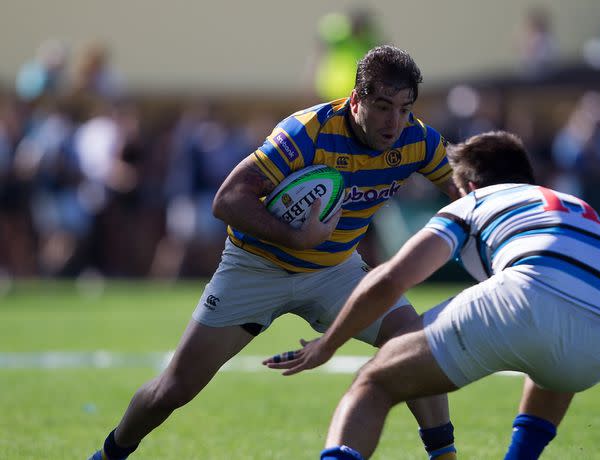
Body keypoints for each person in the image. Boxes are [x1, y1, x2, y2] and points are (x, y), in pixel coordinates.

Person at [88, 45, 459, 460]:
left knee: (415, 340)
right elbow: (227, 199)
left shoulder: (418, 140)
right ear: (356, 99)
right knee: (173, 389)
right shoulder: (307, 131)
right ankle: (109, 454)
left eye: (405, 108)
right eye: (382, 106)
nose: (394, 122)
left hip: (336, 272)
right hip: (255, 268)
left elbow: (468, 189)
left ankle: (445, 457)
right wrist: (296, 237)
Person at [266, 131, 600, 459]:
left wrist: (330, 343)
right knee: (554, 352)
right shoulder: (579, 211)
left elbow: (391, 279)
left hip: (522, 299)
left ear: (467, 185)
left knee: (374, 382)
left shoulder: (474, 201)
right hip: (597, 346)